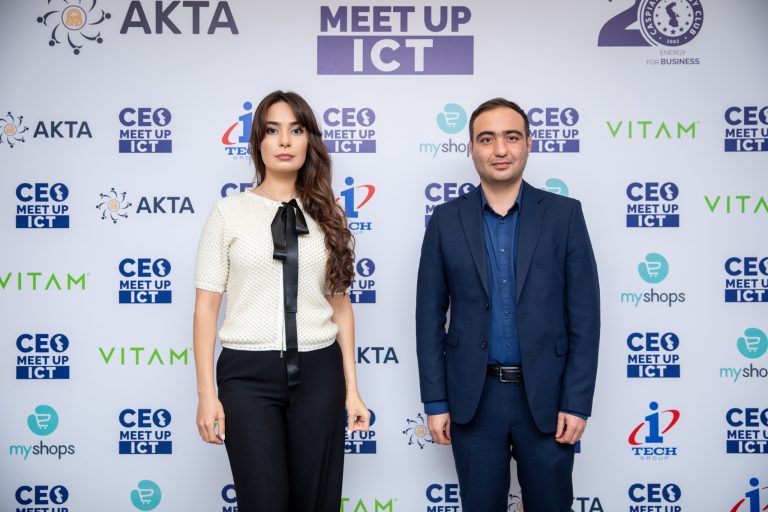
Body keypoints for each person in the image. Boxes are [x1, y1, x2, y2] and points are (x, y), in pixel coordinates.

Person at [416, 98, 600, 512]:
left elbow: (585, 318)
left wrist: (576, 401)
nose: (500, 149)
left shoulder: (565, 215)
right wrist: (436, 402)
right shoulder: (445, 220)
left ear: (528, 144)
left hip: (548, 400)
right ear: (471, 148)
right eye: (487, 139)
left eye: (511, 137)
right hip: (474, 400)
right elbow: (428, 318)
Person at [193, 90, 370, 512]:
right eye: (273, 131)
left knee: (317, 502)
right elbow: (206, 309)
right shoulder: (227, 213)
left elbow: (340, 308)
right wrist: (206, 394)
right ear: (258, 141)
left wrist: (352, 390)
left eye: (296, 130)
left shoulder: (328, 215)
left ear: (310, 141)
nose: (285, 141)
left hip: (319, 373)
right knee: (263, 501)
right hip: (246, 376)